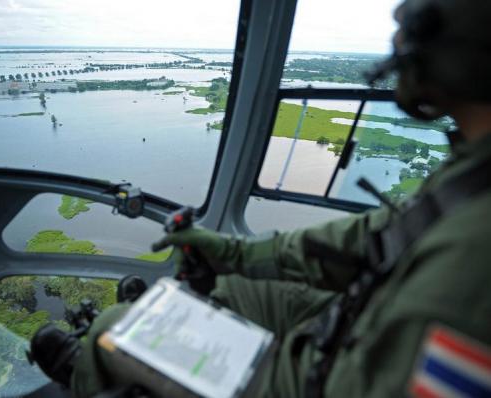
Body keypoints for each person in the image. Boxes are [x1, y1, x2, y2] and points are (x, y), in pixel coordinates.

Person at [49, 0, 491, 396]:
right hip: (361, 312)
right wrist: (232, 251)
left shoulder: (472, 262)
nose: (399, 21)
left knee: (114, 328)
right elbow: (372, 239)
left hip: (342, 367)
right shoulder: (473, 169)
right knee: (227, 285)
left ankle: (81, 372)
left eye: (419, 14)